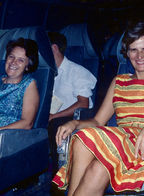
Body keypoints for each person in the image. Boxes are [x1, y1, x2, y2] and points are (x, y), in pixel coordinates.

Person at [52, 20, 144, 195]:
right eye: (133, 50)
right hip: (118, 144)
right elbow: (98, 121)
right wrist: (75, 123)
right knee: (97, 169)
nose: (139, 55)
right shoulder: (119, 81)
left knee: (84, 138)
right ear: (127, 53)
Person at [0, 37, 39, 164]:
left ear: (28, 66)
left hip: (4, 140)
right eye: (11, 57)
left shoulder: (29, 84)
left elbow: (27, 123)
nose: (13, 62)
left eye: (20, 60)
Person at [47, 32, 97, 174]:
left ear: (54, 48)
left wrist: (53, 116)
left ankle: (59, 176)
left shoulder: (77, 72)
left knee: (55, 125)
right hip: (52, 117)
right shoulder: (47, 72)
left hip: (75, 117)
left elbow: (83, 104)